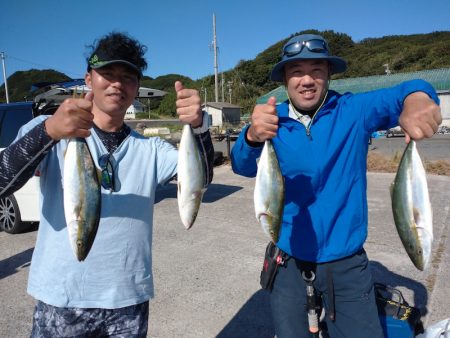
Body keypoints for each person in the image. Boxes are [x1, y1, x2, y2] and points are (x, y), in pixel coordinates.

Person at [0, 31, 214, 337]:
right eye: (107, 74)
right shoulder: (48, 130)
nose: (117, 83)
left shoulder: (151, 150)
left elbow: (201, 176)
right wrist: (48, 131)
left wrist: (199, 127)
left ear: (137, 87)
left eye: (128, 77)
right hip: (61, 299)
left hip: (128, 300)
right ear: (89, 79)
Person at [231, 33, 442, 338]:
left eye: (317, 70)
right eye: (296, 71)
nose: (307, 80)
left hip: (347, 264)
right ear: (285, 80)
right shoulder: (271, 119)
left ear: (329, 74)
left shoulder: (353, 110)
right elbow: (242, 165)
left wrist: (419, 100)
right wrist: (251, 136)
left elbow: (411, 90)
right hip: (288, 260)